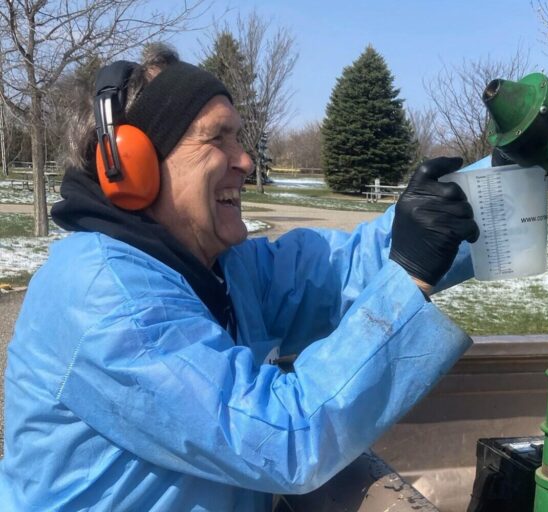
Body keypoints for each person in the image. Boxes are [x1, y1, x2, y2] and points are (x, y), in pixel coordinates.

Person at [0, 44, 479, 511]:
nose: (245, 161)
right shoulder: (107, 298)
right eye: (217, 138)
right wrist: (410, 275)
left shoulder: (218, 267)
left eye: (239, 138)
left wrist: (483, 192)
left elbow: (343, 268)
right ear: (133, 166)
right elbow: (284, 436)